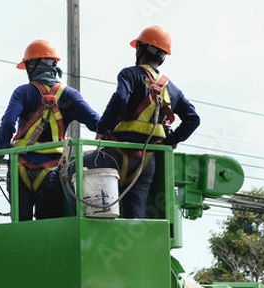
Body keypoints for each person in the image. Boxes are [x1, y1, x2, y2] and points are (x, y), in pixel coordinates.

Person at [80, 25, 200, 219]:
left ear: (140, 49)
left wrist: (103, 129)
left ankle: (86, 224)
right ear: (162, 57)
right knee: (136, 214)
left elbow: (120, 98)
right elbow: (193, 119)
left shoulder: (130, 74)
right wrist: (169, 142)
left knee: (71, 170)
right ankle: (134, 245)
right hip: (146, 160)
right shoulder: (172, 89)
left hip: (115, 154)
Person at [0, 39, 100, 221]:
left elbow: (8, 123)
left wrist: (1, 150)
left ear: (32, 66)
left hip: (19, 169)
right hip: (50, 173)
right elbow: (97, 123)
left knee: (21, 230)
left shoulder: (23, 92)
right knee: (48, 228)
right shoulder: (69, 95)